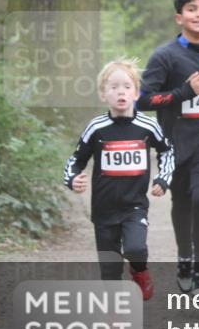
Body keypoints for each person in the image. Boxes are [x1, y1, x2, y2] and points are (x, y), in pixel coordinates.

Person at [138, 0, 199, 296]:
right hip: (175, 141)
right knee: (182, 202)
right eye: (192, 9)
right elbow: (144, 101)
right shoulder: (165, 56)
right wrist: (182, 93)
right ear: (179, 17)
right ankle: (184, 257)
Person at [65, 58, 174, 300]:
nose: (120, 92)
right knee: (110, 269)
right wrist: (72, 179)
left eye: (126, 86)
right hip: (103, 209)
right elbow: (76, 159)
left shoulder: (148, 125)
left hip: (134, 205)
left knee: (136, 249)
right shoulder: (96, 127)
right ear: (103, 94)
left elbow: (167, 151)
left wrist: (163, 179)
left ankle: (139, 270)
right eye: (113, 87)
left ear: (136, 93)